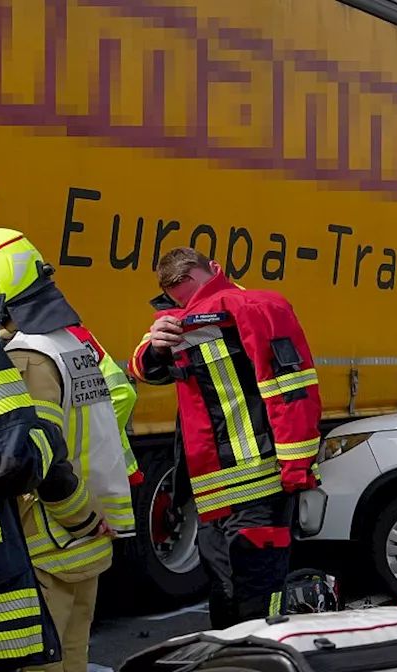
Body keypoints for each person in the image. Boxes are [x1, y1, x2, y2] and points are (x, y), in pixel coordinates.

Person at [0, 229, 134, 672]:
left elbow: (41, 459)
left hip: (53, 541)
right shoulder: (74, 345)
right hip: (89, 544)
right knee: (75, 659)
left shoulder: (27, 357)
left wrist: (81, 517)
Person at [128, 247, 322, 629]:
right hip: (213, 489)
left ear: (214, 269)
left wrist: (297, 469)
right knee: (226, 592)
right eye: (179, 299)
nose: (191, 304)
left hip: (258, 482)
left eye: (193, 291)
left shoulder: (253, 308)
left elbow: (291, 390)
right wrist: (155, 347)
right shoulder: (184, 321)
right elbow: (145, 369)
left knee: (257, 598)